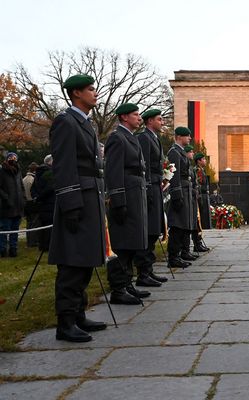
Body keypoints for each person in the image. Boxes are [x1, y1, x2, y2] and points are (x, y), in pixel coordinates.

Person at [48, 74, 106, 342]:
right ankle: (66, 322)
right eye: (90, 89)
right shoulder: (66, 121)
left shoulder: (85, 123)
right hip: (77, 198)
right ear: (76, 94)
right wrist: (71, 204)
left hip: (90, 196)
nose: (95, 93)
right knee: (72, 261)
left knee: (85, 259)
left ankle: (78, 314)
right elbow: (64, 165)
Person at [104, 103, 149, 305]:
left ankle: (127, 283)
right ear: (124, 117)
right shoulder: (117, 137)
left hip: (135, 192)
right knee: (122, 242)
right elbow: (113, 171)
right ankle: (118, 288)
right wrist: (118, 200)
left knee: (132, 242)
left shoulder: (130, 137)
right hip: (126, 194)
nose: (139, 118)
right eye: (135, 115)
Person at [133, 108, 168, 287]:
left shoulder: (154, 138)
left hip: (156, 185)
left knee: (155, 229)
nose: (162, 122)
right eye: (159, 119)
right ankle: (143, 272)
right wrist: (147, 188)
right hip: (150, 186)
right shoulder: (144, 138)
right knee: (150, 230)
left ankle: (149, 270)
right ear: (149, 122)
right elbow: (144, 164)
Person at [166, 127, 195, 268]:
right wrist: (177, 195)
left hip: (186, 189)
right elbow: (173, 175)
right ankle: (173, 257)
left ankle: (180, 253)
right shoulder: (174, 153)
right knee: (177, 225)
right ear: (179, 137)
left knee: (184, 224)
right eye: (187, 136)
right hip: (180, 190)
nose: (189, 138)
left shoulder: (180, 152)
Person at [0, 152, 25, 257]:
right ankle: (2, 250)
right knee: (5, 230)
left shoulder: (19, 171)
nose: (13, 159)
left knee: (15, 230)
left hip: (18, 206)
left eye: (15, 157)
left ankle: (13, 250)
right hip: (6, 207)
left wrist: (23, 198)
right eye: (10, 157)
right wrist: (6, 198)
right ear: (7, 159)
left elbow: (21, 186)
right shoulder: (2, 171)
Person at [31, 155, 55, 252]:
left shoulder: (38, 172)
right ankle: (48, 246)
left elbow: (33, 188)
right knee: (49, 227)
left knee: (43, 225)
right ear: (50, 162)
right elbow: (50, 188)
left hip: (42, 203)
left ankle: (42, 245)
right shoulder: (50, 173)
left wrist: (36, 197)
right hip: (50, 203)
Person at [192, 152, 210, 252]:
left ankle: (198, 242)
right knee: (198, 220)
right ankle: (197, 243)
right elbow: (197, 184)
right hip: (199, 197)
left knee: (201, 222)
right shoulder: (198, 170)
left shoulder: (201, 170)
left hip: (202, 196)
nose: (205, 161)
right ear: (198, 161)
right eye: (203, 159)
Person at [22, 162, 39, 247]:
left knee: (29, 223)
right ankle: (33, 242)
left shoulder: (24, 178)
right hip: (32, 202)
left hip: (26, 203)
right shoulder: (32, 179)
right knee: (34, 223)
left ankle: (29, 240)